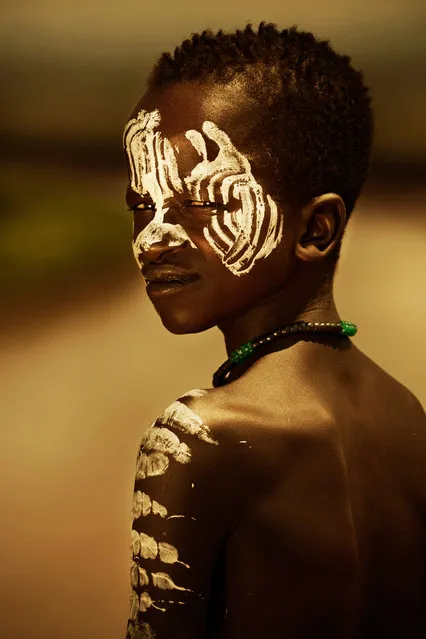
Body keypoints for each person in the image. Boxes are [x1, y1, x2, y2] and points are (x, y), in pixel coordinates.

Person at [123, 23, 426, 639]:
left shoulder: (201, 437)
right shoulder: (407, 415)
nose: (153, 240)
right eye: (140, 205)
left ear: (315, 230)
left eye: (202, 204)